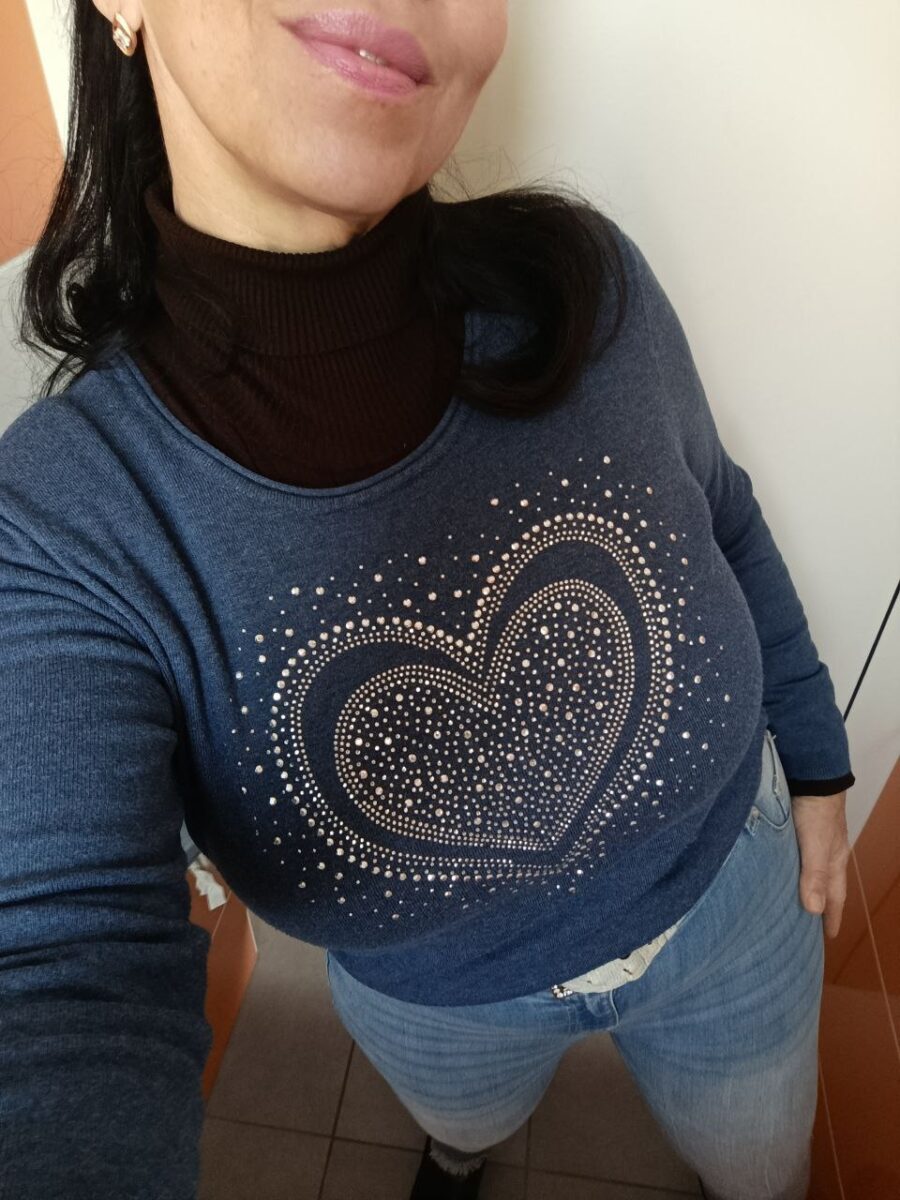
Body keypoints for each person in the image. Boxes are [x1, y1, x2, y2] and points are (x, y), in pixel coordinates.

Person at [0, 3, 855, 1199]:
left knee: (762, 1176)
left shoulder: (586, 282)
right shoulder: (58, 527)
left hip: (741, 912)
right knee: (466, 1129)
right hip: (442, 1014)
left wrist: (817, 764)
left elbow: (725, 513)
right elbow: (57, 968)